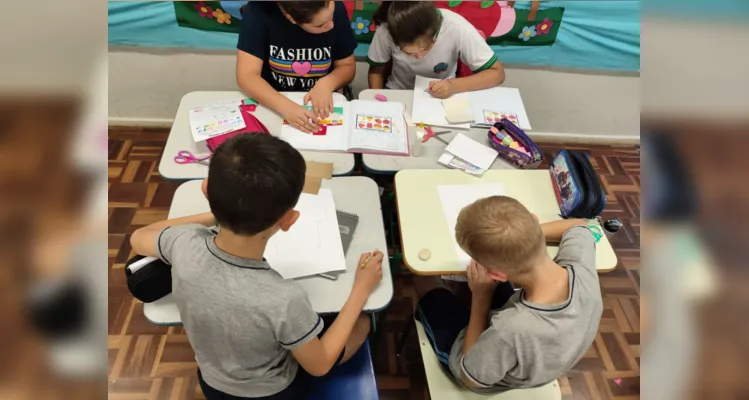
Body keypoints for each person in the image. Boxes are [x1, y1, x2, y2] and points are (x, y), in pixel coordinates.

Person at [129, 134, 383, 399]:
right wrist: (361, 289)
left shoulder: (183, 242)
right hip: (275, 392)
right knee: (362, 321)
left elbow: (139, 237)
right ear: (288, 220)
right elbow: (319, 366)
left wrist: (223, 209)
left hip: (212, 384)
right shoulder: (284, 298)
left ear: (205, 190)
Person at [413, 196, 602, 393]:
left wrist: (481, 297)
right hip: (545, 353)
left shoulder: (509, 329)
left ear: (495, 274)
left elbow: (470, 377)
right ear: (535, 220)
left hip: (473, 368)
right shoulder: (581, 268)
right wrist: (523, 238)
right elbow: (579, 226)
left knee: (423, 280)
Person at [236, 1, 357, 133]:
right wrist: (286, 107)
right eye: (320, 25)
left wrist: (328, 82)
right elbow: (247, 76)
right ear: (291, 18)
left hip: (325, 103)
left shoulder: (336, 7)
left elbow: (347, 66)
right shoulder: (259, 11)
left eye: (332, 16)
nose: (331, 25)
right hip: (274, 102)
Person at [367, 1, 505, 98]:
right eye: (409, 53)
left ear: (435, 32)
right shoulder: (386, 29)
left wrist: (453, 86)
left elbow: (497, 73)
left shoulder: (455, 26)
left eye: (426, 48)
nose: (419, 57)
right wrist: (379, 103)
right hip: (399, 92)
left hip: (445, 95)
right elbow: (376, 71)